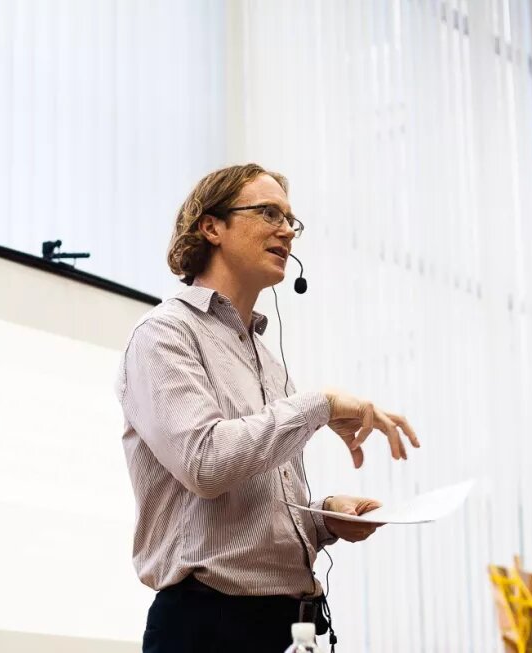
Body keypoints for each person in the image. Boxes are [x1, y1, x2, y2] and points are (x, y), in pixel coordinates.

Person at [115, 163, 420, 653]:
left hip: (290, 627)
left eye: (291, 221)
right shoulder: (164, 335)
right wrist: (319, 405)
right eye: (268, 213)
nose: (287, 231)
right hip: (207, 627)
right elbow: (206, 464)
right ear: (212, 227)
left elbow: (252, 507)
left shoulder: (269, 362)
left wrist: (324, 519)